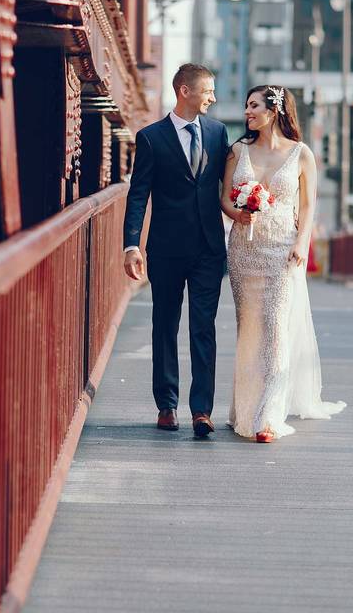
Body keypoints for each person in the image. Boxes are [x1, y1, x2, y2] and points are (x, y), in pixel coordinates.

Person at [220, 85, 345, 442]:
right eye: (246, 106)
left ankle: (267, 416)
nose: (247, 112)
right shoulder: (237, 151)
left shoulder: (302, 154)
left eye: (253, 106)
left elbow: (307, 206)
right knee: (250, 329)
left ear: (273, 110)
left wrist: (303, 244)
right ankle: (244, 407)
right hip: (244, 250)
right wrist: (237, 213)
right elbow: (223, 198)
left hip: (281, 249)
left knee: (275, 328)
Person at [123, 64, 230, 437]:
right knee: (164, 326)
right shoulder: (151, 138)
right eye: (207, 92)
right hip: (166, 248)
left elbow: (226, 185)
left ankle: (202, 410)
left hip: (209, 248)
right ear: (184, 91)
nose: (213, 99)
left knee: (204, 328)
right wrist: (131, 244)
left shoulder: (218, 134)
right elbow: (138, 195)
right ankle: (167, 405)